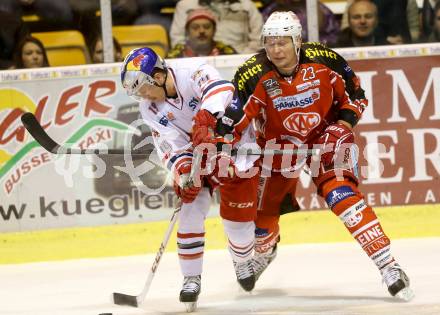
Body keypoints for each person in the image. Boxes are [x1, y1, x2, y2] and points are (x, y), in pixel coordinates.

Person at [193, 11, 414, 301]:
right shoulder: (253, 72)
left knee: (344, 200)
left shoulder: (325, 59)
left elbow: (356, 96)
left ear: (297, 41)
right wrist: (219, 141)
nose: (276, 50)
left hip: (324, 142)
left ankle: (389, 266)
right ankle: (266, 250)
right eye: (270, 43)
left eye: (282, 42)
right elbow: (236, 117)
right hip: (277, 151)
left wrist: (342, 126)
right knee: (262, 222)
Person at [120, 47, 259, 311]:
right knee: (189, 211)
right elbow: (169, 143)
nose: (142, 95)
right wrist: (183, 171)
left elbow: (222, 89)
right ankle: (191, 278)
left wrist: (206, 118)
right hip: (197, 156)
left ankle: (242, 260)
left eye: (144, 87)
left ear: (158, 76)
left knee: (237, 220)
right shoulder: (149, 107)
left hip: (234, 147)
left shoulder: (192, 70)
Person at [170, 0, 263, 54]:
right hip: (196, 62)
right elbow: (178, 40)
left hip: (240, 60)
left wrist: (241, 59)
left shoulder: (246, 6)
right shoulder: (185, 5)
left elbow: (259, 39)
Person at [261, 0, 340, 46]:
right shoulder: (270, 11)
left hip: (317, 52)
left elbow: (334, 35)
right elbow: (265, 40)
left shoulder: (319, 8)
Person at [167, 8, 237, 58]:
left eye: (207, 27)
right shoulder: (174, 56)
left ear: (215, 30)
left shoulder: (228, 53)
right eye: (195, 27)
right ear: (187, 31)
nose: (201, 31)